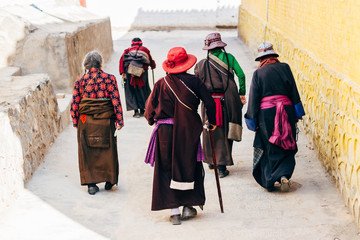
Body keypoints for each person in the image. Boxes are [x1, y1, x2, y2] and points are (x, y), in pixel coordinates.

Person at [144, 47, 216, 225]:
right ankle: (187, 206)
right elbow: (209, 103)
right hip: (188, 132)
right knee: (188, 166)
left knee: (167, 169)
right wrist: (211, 122)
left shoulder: (160, 83)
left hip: (165, 133)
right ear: (186, 64)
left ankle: (174, 211)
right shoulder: (195, 82)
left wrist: (152, 120)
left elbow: (149, 110)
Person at [244, 42, 305, 192]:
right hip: (287, 110)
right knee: (287, 140)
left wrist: (252, 120)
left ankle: (271, 178)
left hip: (267, 115)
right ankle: (284, 174)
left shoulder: (258, 73)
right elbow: (293, 91)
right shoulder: (285, 68)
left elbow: (254, 99)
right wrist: (297, 112)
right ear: (274, 56)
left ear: (261, 59)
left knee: (270, 144)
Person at [70, 50, 124, 195]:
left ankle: (91, 184)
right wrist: (119, 119)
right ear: (100, 63)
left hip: (86, 122)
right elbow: (115, 101)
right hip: (106, 121)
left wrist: (76, 122)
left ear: (86, 65)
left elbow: (74, 105)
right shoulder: (110, 79)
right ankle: (109, 180)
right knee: (108, 151)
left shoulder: (80, 81)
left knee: (88, 152)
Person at [194, 32, 246, 178]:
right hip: (227, 102)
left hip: (209, 103)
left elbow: (197, 85)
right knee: (224, 132)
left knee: (209, 130)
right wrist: (241, 92)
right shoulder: (230, 58)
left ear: (208, 48)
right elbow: (241, 75)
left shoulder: (201, 65)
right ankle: (222, 167)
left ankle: (211, 161)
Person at [119, 37, 156, 117]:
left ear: (132, 44)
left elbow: (121, 60)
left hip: (130, 72)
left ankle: (136, 112)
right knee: (143, 90)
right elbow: (150, 60)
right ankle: (143, 110)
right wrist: (153, 66)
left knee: (132, 90)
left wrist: (122, 72)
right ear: (141, 43)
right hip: (142, 73)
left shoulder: (128, 50)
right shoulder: (145, 49)